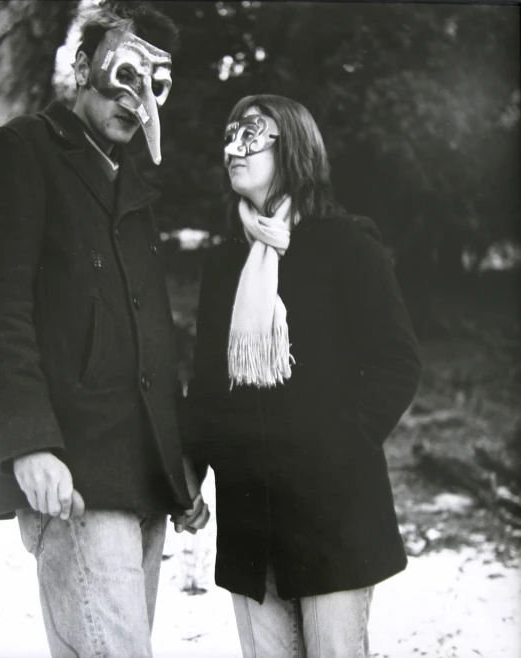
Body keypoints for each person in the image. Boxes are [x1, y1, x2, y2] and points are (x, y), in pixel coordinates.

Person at [0, 3, 208, 657]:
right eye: (126, 75)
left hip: (142, 480)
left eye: (156, 86)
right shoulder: (21, 155)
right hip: (74, 478)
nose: (139, 102)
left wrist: (177, 470)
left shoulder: (131, 186)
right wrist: (30, 444)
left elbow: (150, 337)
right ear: (81, 66)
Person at [178, 94, 422, 657]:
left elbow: (397, 361)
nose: (233, 147)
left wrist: (338, 445)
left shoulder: (346, 243)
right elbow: (210, 386)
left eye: (252, 134)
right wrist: (189, 470)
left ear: (292, 147)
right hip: (249, 518)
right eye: (229, 134)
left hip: (332, 511)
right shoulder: (223, 264)